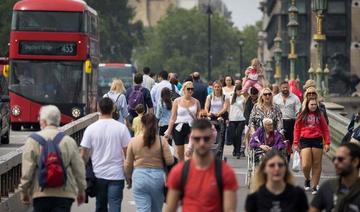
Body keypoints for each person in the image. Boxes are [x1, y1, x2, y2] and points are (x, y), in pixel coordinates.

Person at [20, 105, 86, 212]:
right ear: (58, 120)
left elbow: (27, 171)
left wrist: (24, 191)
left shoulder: (33, 141)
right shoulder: (68, 141)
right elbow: (79, 168)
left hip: (41, 193)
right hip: (64, 194)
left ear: (43, 121)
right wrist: (81, 190)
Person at [166, 119, 238, 212]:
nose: (202, 143)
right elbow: (170, 208)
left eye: (206, 138)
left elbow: (229, 209)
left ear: (212, 138)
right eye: (197, 138)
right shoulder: (179, 172)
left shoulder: (226, 173)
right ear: (191, 139)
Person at [80, 98, 131, 212]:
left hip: (98, 175)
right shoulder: (121, 128)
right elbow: (128, 155)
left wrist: (82, 175)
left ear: (98, 108)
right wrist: (128, 175)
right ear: (113, 109)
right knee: (115, 207)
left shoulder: (91, 129)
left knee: (100, 206)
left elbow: (83, 155)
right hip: (117, 175)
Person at [125, 113, 174, 212]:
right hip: (158, 177)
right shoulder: (162, 141)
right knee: (156, 209)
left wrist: (129, 178)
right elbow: (170, 161)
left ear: (142, 124)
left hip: (139, 177)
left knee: (142, 209)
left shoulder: (133, 141)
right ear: (156, 125)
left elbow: (128, 164)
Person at [294, 98, 330, 195]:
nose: (313, 106)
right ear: (307, 105)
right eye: (312, 104)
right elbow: (297, 129)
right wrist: (296, 142)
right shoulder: (302, 115)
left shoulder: (319, 115)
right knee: (306, 165)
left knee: (317, 164)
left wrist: (327, 143)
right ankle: (307, 178)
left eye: (315, 104)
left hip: (317, 139)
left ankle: (315, 186)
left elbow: (325, 129)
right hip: (305, 140)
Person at [310, 143, 360, 212]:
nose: (335, 162)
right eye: (334, 159)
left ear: (355, 162)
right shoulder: (328, 187)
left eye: (340, 159)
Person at [165, 81, 200, 161]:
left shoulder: (196, 102)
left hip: (191, 128)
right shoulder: (177, 101)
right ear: (184, 89)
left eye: (192, 89)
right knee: (180, 154)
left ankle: (189, 169)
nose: (190, 91)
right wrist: (168, 131)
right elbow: (173, 117)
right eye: (188, 89)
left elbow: (198, 117)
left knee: (189, 152)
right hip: (178, 128)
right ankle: (182, 170)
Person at [273, 81, 301, 160]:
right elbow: (272, 110)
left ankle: (287, 159)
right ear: (280, 88)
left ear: (289, 87)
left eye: (286, 87)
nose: (285, 89)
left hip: (291, 122)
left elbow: (298, 111)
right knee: (279, 141)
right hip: (279, 122)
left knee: (289, 142)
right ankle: (279, 158)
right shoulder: (275, 98)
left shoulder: (295, 98)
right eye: (283, 88)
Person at [204, 81, 230, 147]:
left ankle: (220, 145)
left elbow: (225, 108)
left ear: (221, 88)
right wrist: (207, 113)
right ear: (213, 88)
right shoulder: (209, 96)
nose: (217, 88)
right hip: (212, 114)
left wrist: (219, 113)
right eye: (215, 87)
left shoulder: (225, 97)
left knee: (221, 129)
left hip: (221, 114)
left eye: (218, 87)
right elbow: (206, 107)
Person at [228, 84, 247, 159]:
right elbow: (228, 107)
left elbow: (244, 108)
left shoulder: (243, 97)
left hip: (241, 119)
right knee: (232, 136)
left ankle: (238, 151)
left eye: (240, 90)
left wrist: (245, 117)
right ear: (235, 90)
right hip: (232, 118)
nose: (239, 92)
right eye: (238, 90)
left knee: (238, 135)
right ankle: (235, 148)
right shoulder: (231, 96)